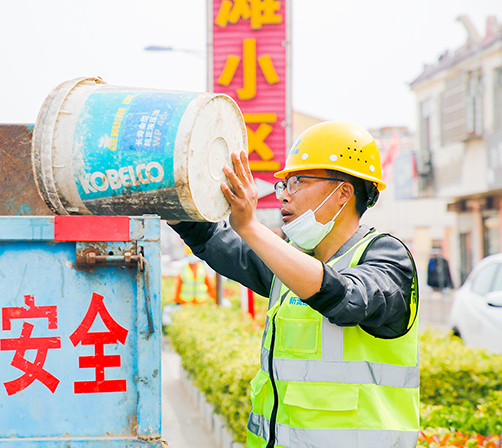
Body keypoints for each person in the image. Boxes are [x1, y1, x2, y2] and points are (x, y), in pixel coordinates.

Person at [168, 121, 419, 448]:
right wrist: (170, 201)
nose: (284, 195)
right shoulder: (293, 259)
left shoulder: (387, 257)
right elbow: (219, 243)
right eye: (283, 184)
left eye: (298, 182)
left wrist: (251, 227)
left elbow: (346, 298)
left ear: (343, 192)